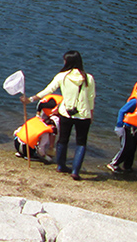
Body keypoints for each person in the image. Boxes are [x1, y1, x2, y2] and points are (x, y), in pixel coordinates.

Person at [24, 50, 96, 181]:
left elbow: (48, 90)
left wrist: (30, 99)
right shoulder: (88, 78)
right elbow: (91, 98)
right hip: (83, 115)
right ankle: (75, 171)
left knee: (63, 140)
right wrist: (91, 115)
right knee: (81, 143)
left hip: (66, 113)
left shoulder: (62, 76)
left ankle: (61, 166)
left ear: (68, 62)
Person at [108, 87, 137, 174]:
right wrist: (119, 126)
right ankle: (114, 164)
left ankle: (127, 167)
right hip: (127, 128)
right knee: (126, 147)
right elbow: (122, 111)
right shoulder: (135, 102)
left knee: (133, 149)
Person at [13, 95, 61, 163]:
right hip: (26, 149)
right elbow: (41, 149)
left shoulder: (35, 120)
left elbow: (16, 132)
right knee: (39, 147)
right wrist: (46, 157)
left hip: (16, 143)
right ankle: (27, 154)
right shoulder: (45, 133)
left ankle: (20, 152)